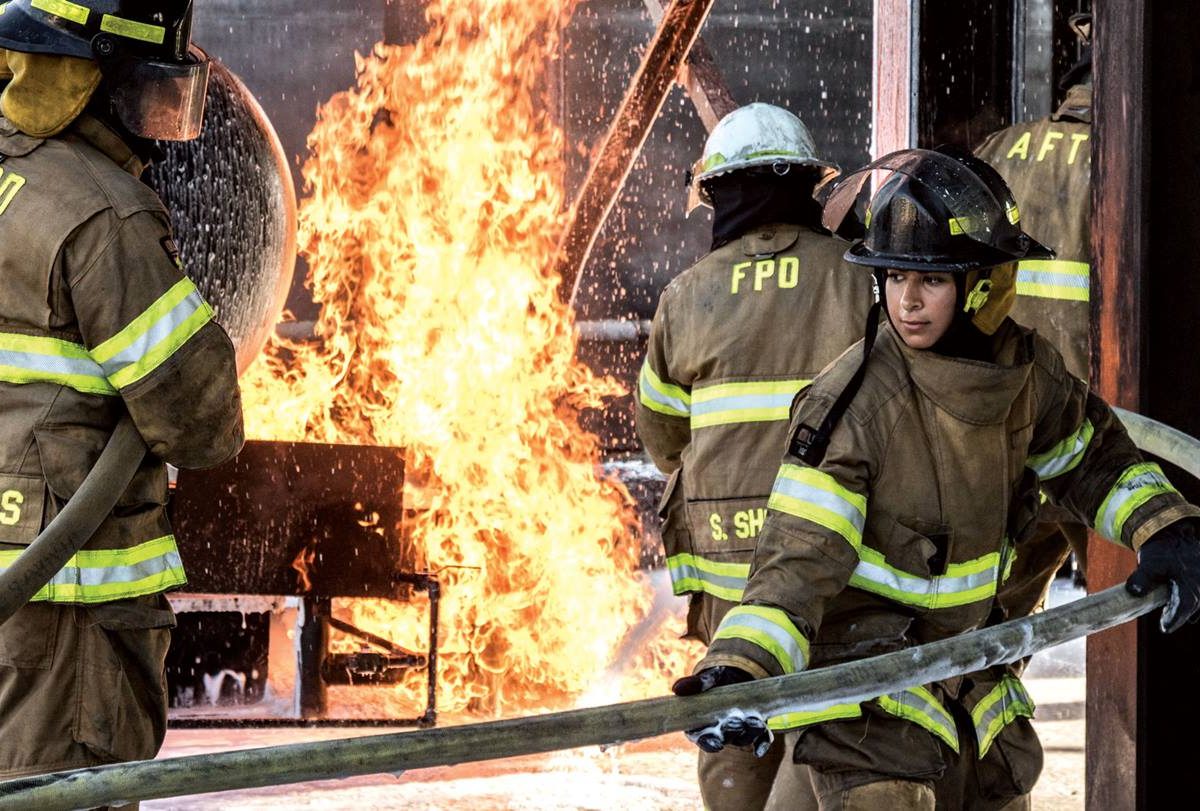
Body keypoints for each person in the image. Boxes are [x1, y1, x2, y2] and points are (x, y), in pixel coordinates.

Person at [672, 148, 1200, 810]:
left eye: (932, 280)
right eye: (892, 277)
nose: (907, 301)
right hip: (867, 688)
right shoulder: (855, 408)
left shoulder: (1026, 374)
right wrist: (743, 670)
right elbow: (795, 562)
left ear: (984, 285)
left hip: (966, 677)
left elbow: (1092, 460)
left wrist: (1167, 526)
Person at [0, 0, 243, 788]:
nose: (154, 121)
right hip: (67, 621)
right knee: (61, 795)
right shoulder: (107, 217)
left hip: (14, 598)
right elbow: (203, 421)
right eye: (143, 90)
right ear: (89, 80)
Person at [636, 102, 874, 811]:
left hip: (728, 578)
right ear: (807, 185)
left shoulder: (685, 297)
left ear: (717, 192)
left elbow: (662, 443)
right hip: (833, 565)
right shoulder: (859, 277)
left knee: (735, 731)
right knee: (830, 721)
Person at [974, 10, 1093, 617]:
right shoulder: (1134, 164)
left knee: (986, 632)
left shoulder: (997, 150)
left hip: (1005, 433)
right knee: (1149, 622)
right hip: (1097, 438)